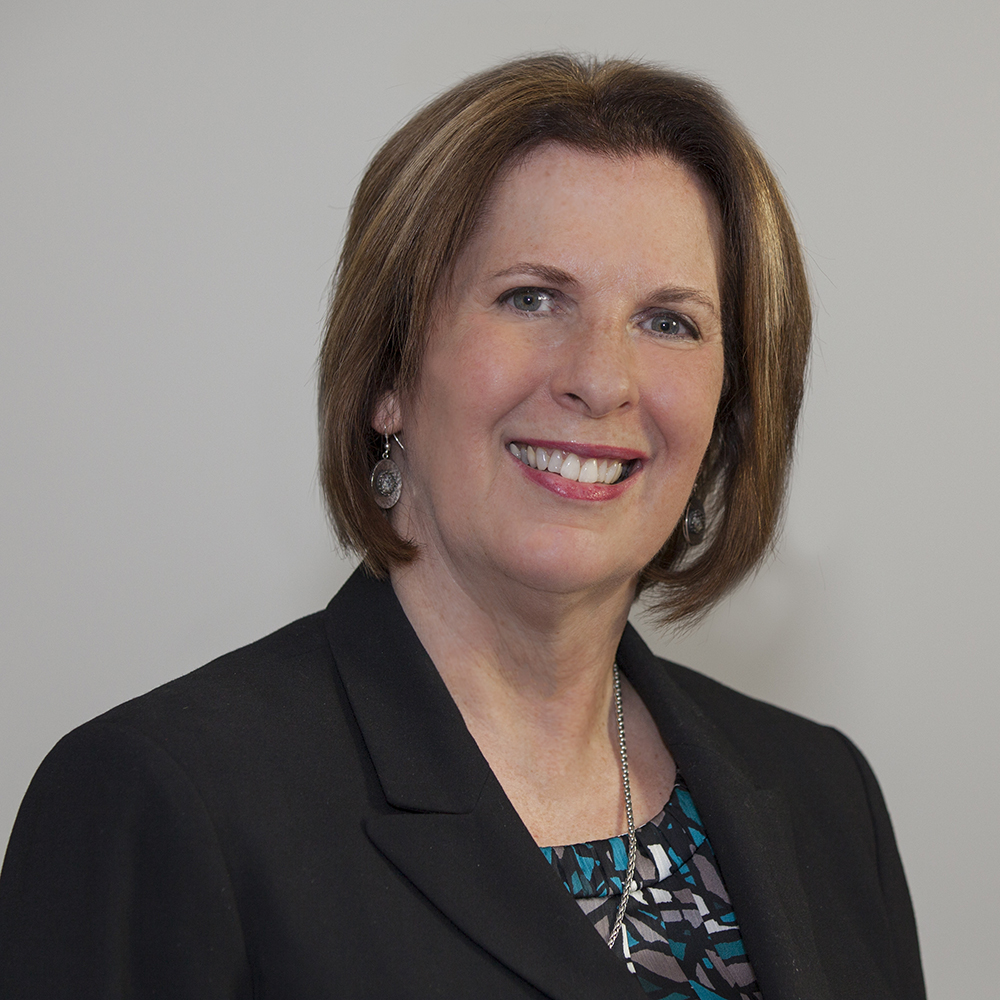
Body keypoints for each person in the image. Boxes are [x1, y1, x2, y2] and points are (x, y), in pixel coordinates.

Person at [0, 55, 924, 1000]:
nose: (600, 378)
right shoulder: (159, 804)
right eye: (532, 297)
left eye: (669, 322)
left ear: (729, 406)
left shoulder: (825, 796)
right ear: (389, 376)